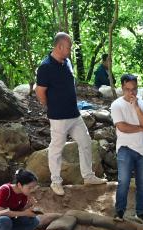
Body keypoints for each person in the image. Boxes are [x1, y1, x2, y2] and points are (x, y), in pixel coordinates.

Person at [36, 33, 108, 196]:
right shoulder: (45, 67)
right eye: (68, 48)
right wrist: (51, 105)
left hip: (74, 114)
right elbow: (40, 92)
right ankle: (56, 181)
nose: (70, 51)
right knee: (56, 148)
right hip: (58, 117)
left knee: (85, 142)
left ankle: (88, 176)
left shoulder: (67, 62)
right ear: (59, 46)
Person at [110, 73, 143, 223]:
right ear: (122, 88)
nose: (131, 92)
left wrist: (136, 107)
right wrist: (140, 128)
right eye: (128, 89)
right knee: (124, 182)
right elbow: (122, 127)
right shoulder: (116, 105)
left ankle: (140, 213)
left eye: (134, 89)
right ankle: (119, 212)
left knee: (142, 184)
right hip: (125, 148)